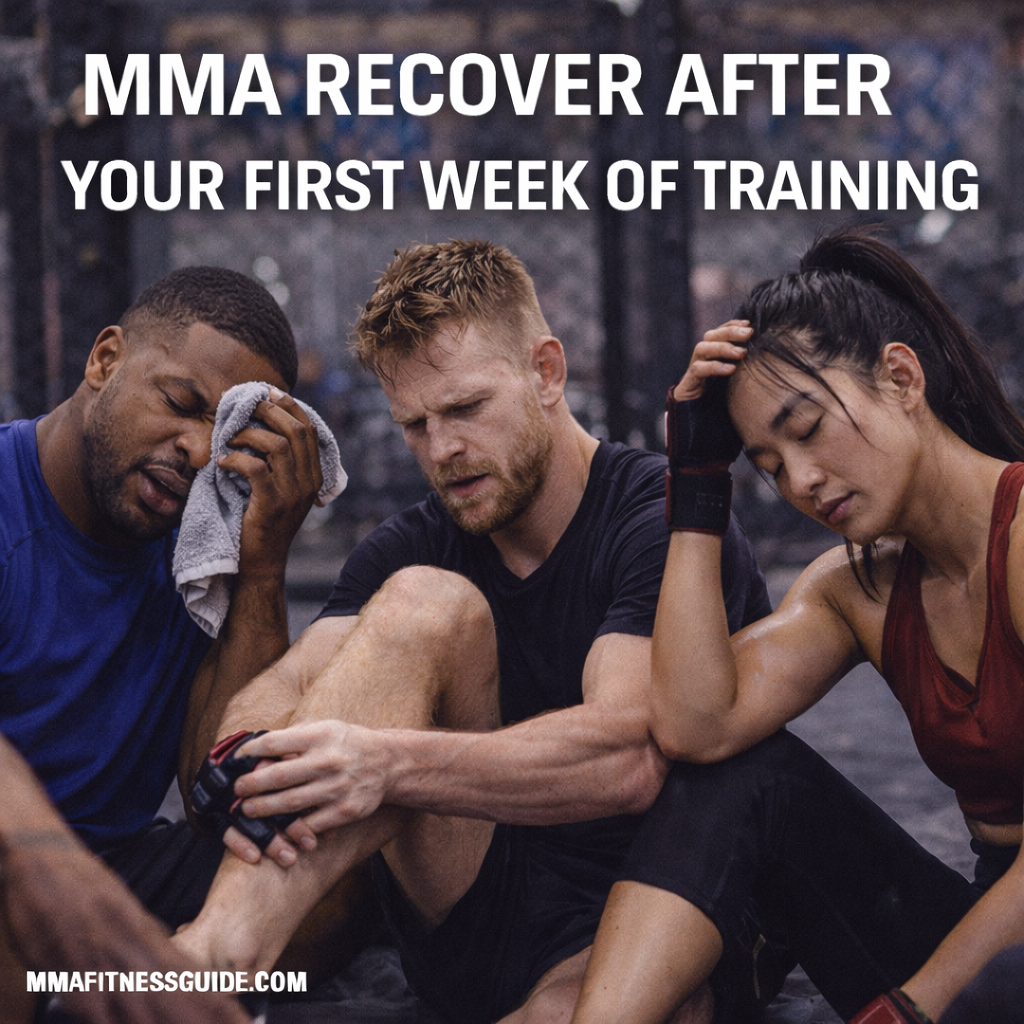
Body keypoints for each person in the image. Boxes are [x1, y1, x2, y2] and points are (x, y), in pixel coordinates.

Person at [169, 239, 771, 1024]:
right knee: (424, 602)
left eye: (465, 408)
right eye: (414, 424)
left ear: (546, 372)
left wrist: (382, 763)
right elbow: (285, 691)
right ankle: (211, 963)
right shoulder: (411, 544)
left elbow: (626, 758)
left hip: (655, 907)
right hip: (470, 911)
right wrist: (251, 748)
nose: (441, 449)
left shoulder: (659, 515)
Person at [569, 232, 1024, 1024]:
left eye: (807, 429)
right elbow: (693, 727)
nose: (802, 482)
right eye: (770, 467)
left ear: (900, 376)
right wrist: (698, 485)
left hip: (990, 972)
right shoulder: (860, 588)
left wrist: (911, 1009)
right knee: (744, 777)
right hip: (988, 933)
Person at [0, 266, 334, 1024]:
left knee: (337, 866)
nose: (194, 451)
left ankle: (176, 982)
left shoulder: (199, 553)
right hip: (20, 864)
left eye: (224, 437)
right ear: (105, 360)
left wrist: (263, 565)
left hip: (121, 868)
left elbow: (216, 791)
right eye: (180, 404)